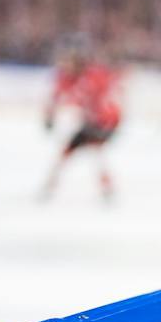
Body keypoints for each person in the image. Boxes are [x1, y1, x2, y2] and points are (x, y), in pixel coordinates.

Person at [41, 40, 123, 202]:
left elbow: (113, 92)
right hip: (91, 123)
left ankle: (106, 188)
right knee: (77, 151)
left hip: (105, 123)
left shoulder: (95, 75)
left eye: (69, 60)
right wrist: (49, 117)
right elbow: (55, 99)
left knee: (92, 150)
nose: (65, 65)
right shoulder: (65, 79)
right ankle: (106, 188)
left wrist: (106, 121)